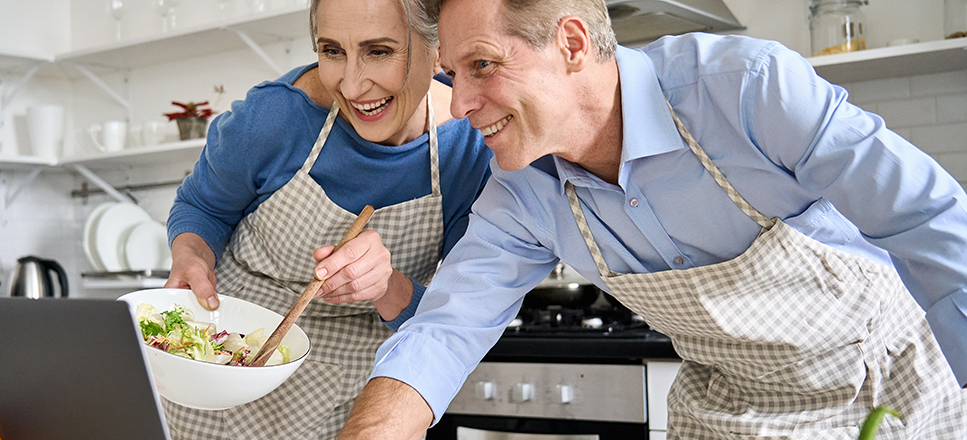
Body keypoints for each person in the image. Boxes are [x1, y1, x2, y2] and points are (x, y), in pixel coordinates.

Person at [336, 0, 967, 438]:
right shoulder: (521, 191)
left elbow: (930, 223)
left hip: (887, 392)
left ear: (573, 43)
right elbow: (444, 330)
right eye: (452, 75)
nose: (461, 103)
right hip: (733, 414)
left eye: (481, 66)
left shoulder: (746, 89)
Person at [163, 0, 492, 437]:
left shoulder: (469, 149)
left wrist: (386, 285)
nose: (352, 85)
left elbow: (452, 322)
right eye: (332, 50)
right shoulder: (274, 116)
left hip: (354, 401)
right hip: (227, 372)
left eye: (379, 51)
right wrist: (191, 256)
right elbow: (202, 207)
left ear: (439, 50)